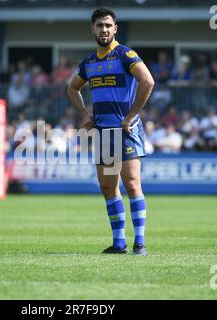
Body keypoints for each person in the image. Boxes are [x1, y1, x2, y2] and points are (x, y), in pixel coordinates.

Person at [67, 7, 154, 256]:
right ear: (92, 29)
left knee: (133, 185)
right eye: (99, 26)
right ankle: (119, 243)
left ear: (115, 28)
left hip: (125, 130)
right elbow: (72, 88)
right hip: (104, 132)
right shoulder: (89, 63)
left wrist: (131, 116)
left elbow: (148, 81)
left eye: (108, 25)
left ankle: (139, 242)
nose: (103, 29)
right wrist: (85, 114)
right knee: (108, 188)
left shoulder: (126, 54)